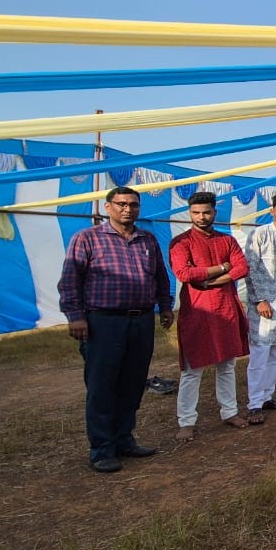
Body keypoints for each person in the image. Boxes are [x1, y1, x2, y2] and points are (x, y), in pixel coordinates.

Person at [58, 186, 173, 473]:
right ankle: (101, 449)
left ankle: (124, 439)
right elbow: (70, 281)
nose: (127, 209)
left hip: (141, 319)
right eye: (121, 204)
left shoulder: (147, 240)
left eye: (133, 204)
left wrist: (166, 306)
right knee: (102, 386)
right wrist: (75, 316)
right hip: (103, 321)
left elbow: (161, 276)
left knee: (133, 383)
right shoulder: (87, 239)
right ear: (108, 207)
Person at [169, 191, 251, 441]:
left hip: (225, 307)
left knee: (227, 365)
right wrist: (222, 267)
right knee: (193, 369)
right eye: (196, 212)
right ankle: (186, 421)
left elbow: (242, 268)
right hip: (197, 311)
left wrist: (213, 280)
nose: (201, 217)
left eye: (206, 212)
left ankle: (230, 412)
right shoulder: (181, 243)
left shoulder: (227, 241)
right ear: (190, 213)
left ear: (215, 212)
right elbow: (184, 273)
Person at [242, 193, 276, 424]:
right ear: (272, 211)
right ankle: (254, 404)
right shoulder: (259, 233)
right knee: (259, 354)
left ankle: (267, 397)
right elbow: (250, 268)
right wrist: (259, 300)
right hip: (263, 304)